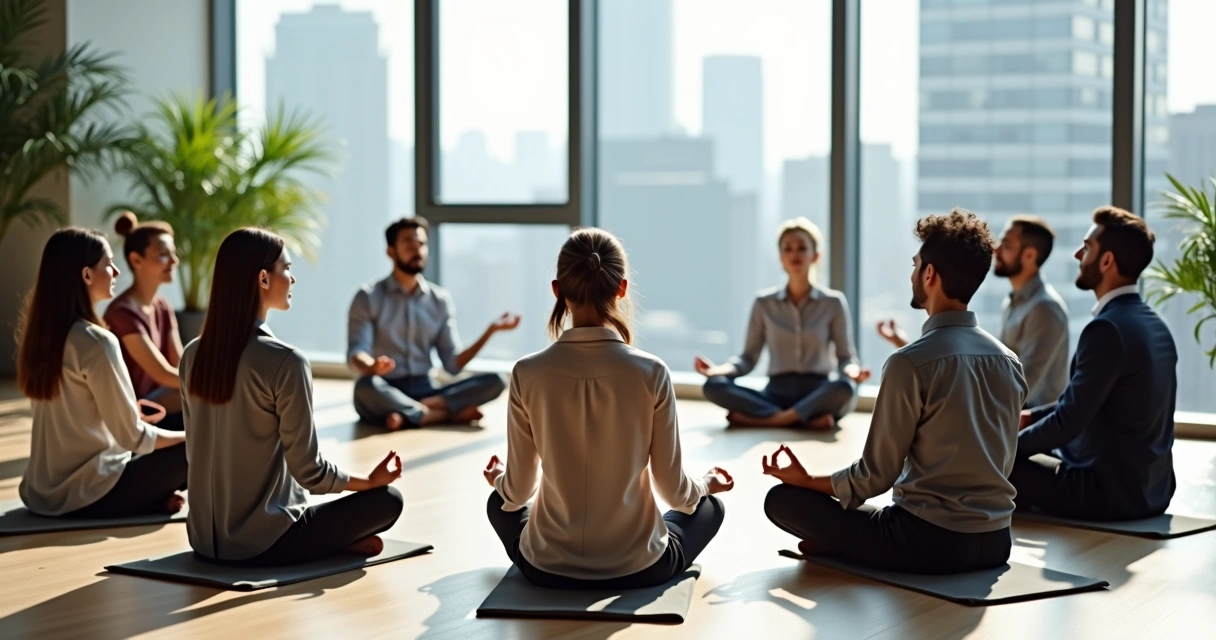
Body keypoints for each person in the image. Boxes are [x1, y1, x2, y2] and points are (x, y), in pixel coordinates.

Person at [763, 209, 1027, 574]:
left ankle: (846, 546)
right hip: (997, 542)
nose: (912, 274)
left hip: (924, 543)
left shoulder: (909, 363)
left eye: (916, 265)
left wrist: (806, 480)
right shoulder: (1009, 361)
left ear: (929, 275)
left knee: (782, 499)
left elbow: (874, 477)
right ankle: (847, 545)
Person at [484, 227, 733, 589]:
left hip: (545, 567)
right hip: (639, 567)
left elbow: (518, 493)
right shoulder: (652, 372)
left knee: (498, 503)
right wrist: (707, 484)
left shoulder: (526, 372)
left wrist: (498, 479)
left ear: (557, 290)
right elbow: (675, 493)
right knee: (709, 508)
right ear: (621, 288)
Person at [182, 228, 403, 565]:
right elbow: (309, 472)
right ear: (263, 279)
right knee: (388, 500)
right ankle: (329, 545)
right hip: (264, 543)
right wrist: (369, 482)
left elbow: (193, 451)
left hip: (203, 540)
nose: (293, 278)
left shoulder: (192, 355)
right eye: (286, 268)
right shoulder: (286, 361)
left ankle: (331, 544)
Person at [1012, 207, 1177, 521]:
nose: (1078, 254)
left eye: (1086, 248)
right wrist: (1029, 417)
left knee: (992, 466)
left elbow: (1067, 423)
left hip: (1106, 493)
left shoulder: (1107, 329)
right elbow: (1084, 403)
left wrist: (999, 451)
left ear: (1106, 261)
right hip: (1153, 492)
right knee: (1026, 447)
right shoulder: (1154, 325)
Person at [18, 228, 187, 519]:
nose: (116, 271)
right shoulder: (96, 341)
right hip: (89, 492)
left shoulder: (44, 337)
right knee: (204, 445)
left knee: (176, 435)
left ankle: (153, 499)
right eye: (108, 264)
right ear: (86, 275)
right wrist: (193, 437)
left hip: (41, 491)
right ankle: (152, 498)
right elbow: (134, 437)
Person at [878, 215, 1069, 409]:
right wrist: (910, 352)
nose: (996, 250)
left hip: (1028, 423)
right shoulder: (1012, 302)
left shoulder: (1045, 309)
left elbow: (1018, 390)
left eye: (1006, 245)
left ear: (1029, 255)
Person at [696, 218, 870, 429]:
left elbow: (846, 358)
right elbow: (747, 358)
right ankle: (802, 419)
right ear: (780, 257)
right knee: (713, 385)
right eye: (788, 248)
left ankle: (770, 420)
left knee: (844, 388)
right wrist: (720, 370)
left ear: (815, 256)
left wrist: (853, 372)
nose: (794, 254)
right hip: (776, 393)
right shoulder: (763, 303)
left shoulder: (833, 302)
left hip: (817, 392)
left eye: (802, 248)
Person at [349, 217, 516, 430]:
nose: (417, 249)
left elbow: (452, 365)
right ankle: (444, 414)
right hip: (387, 386)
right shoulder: (368, 296)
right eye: (408, 243)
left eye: (421, 243)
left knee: (496, 381)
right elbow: (356, 352)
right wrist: (372, 366)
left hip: (428, 388)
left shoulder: (439, 300)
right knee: (365, 387)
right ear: (390, 252)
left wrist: (490, 331)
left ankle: (411, 413)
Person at [103, 211, 186, 430]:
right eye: (163, 254)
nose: (174, 261)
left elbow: (179, 362)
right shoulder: (121, 313)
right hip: (133, 409)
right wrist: (212, 387)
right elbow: (162, 373)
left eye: (174, 253)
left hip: (164, 398)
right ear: (136, 260)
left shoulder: (163, 306)